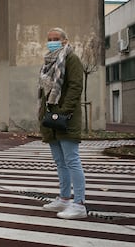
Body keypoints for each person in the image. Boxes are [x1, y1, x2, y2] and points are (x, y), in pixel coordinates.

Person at [38, 27, 86, 219]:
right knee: (60, 162)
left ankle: (79, 203)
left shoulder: (71, 58)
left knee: (72, 160)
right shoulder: (48, 61)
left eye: (56, 38)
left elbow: (75, 86)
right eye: (49, 39)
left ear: (65, 41)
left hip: (66, 118)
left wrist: (63, 111)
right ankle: (64, 199)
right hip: (51, 118)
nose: (52, 41)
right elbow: (44, 92)